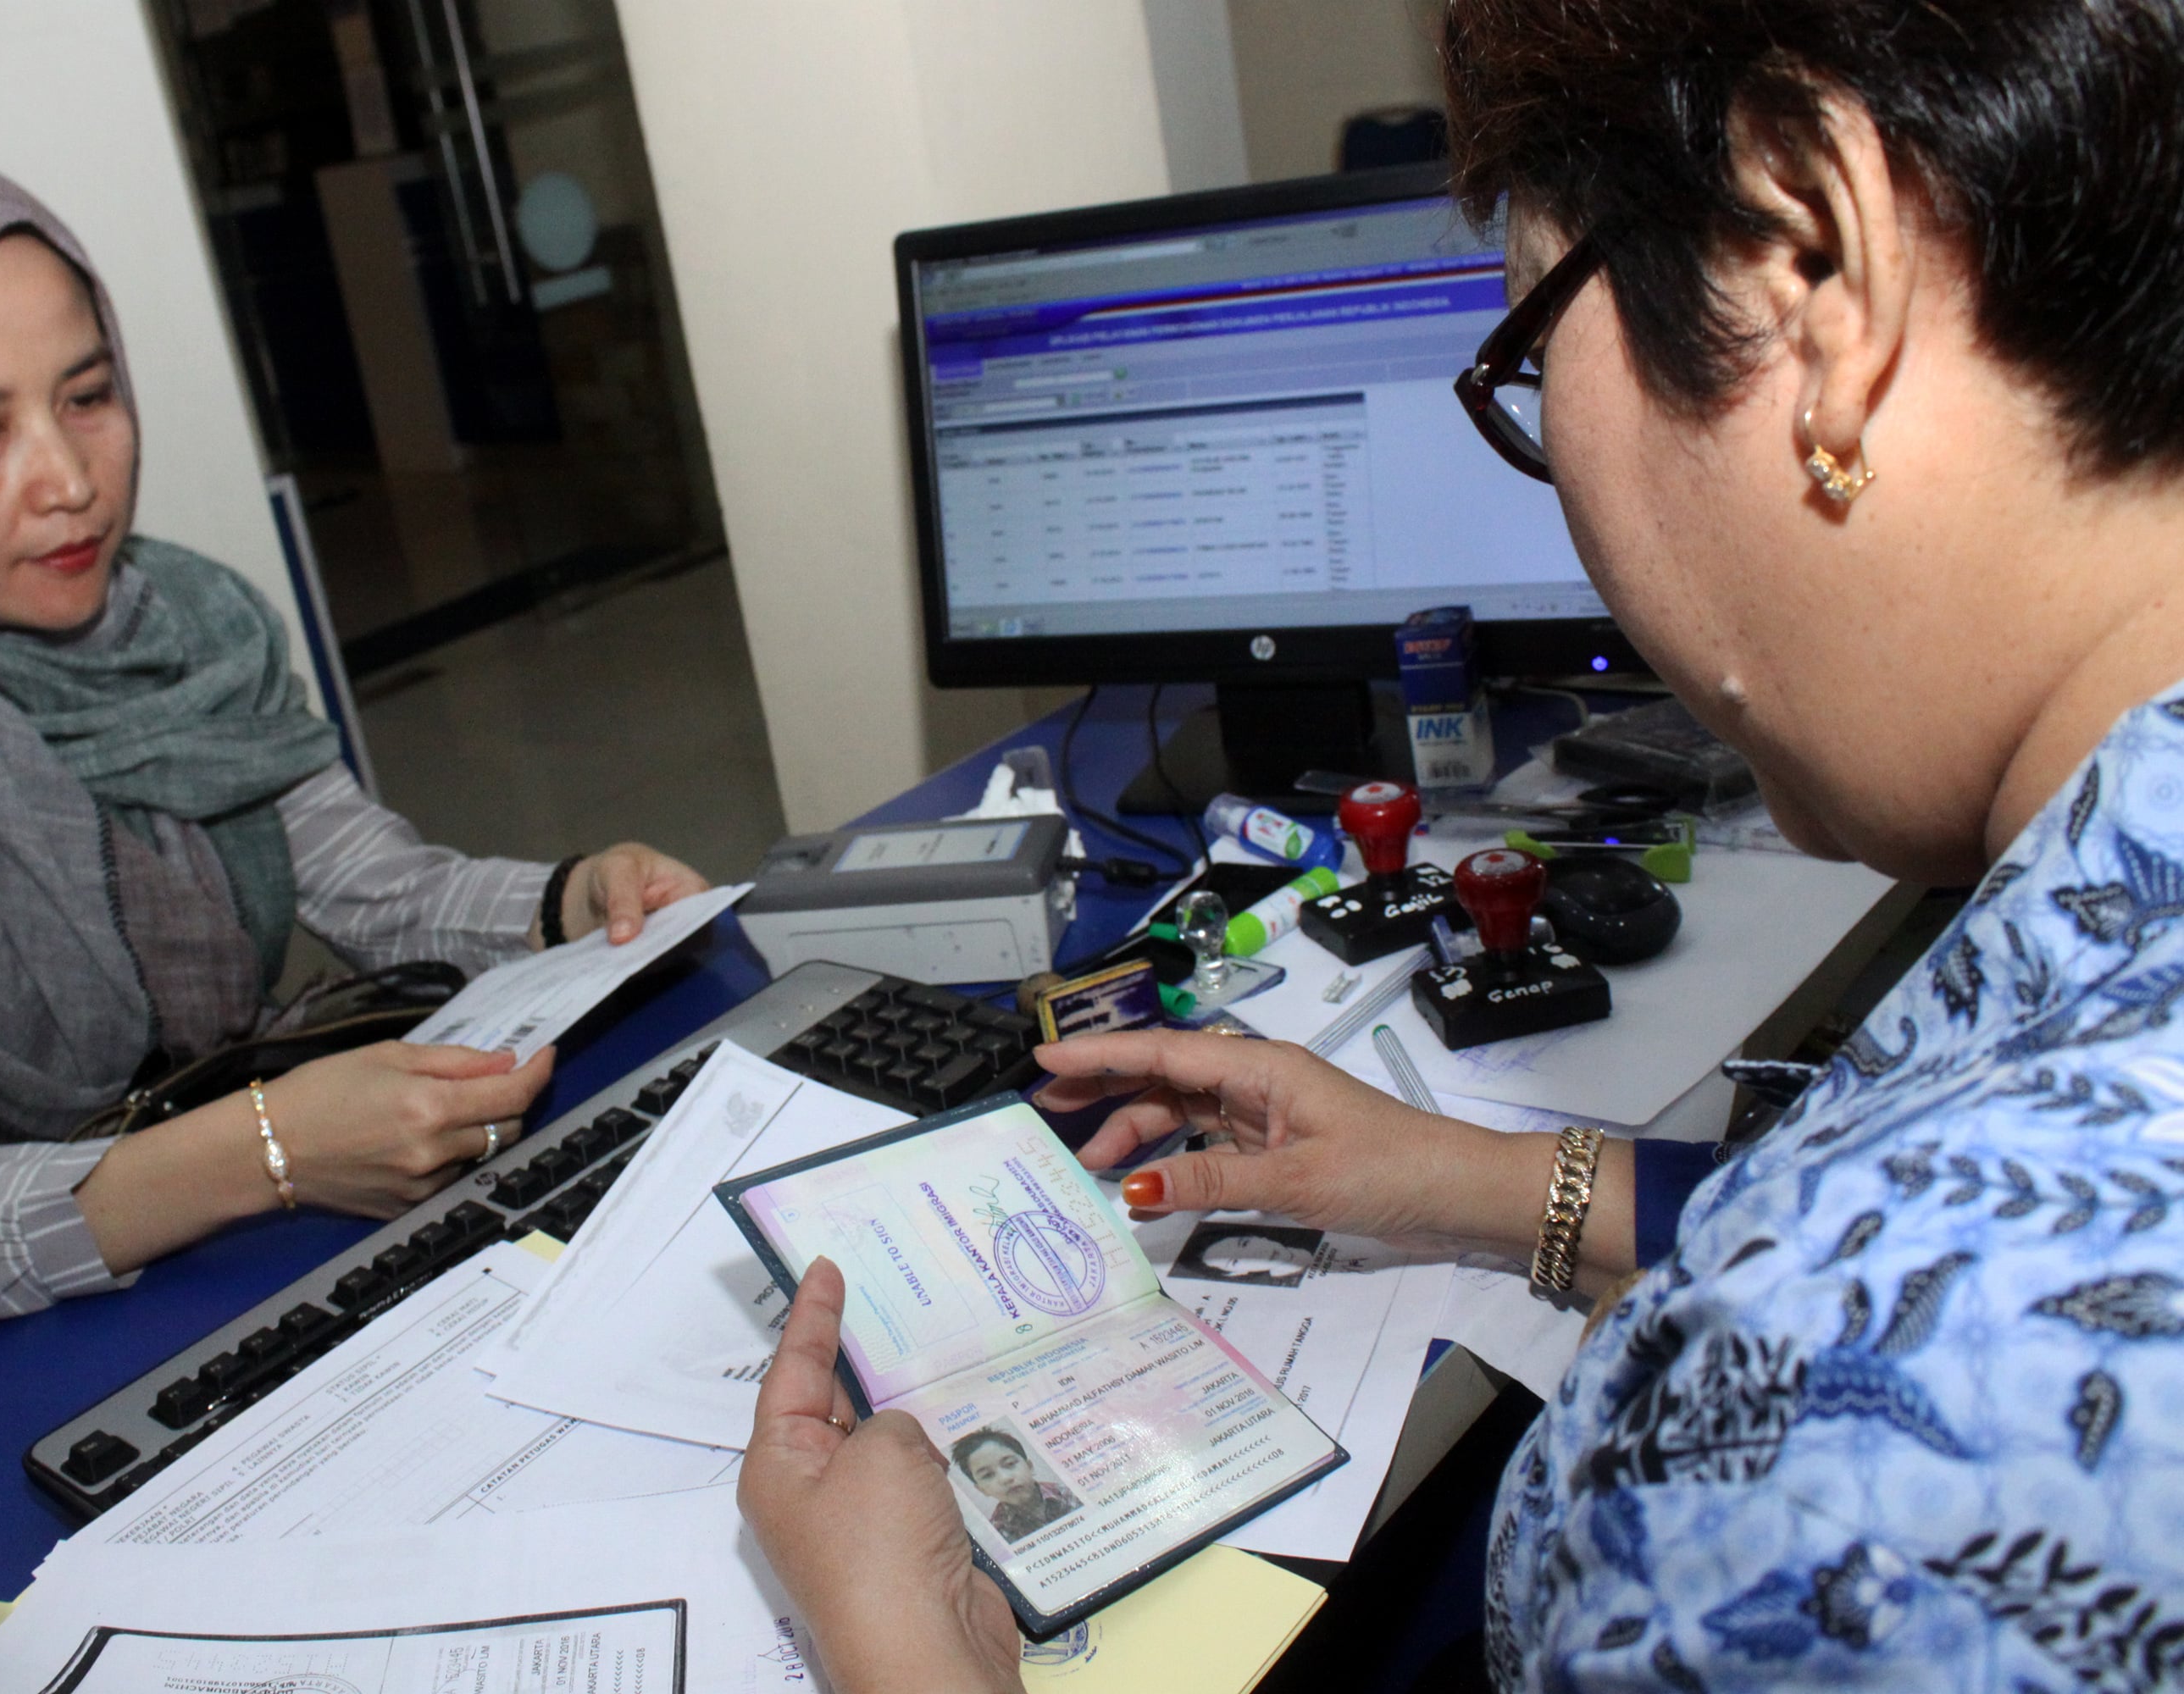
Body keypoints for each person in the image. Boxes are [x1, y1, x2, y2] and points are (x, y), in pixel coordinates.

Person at [737, 1, 2184, 1687]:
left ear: (1810, 247)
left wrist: (912, 1660)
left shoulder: (1850, 1468)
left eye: (1524, 365)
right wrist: (1469, 1180)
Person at [0, 160, 706, 1371]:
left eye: (88, 395)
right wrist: (253, 1152)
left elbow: (370, 881)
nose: (68, 483)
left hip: (252, 1269)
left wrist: (570, 898)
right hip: (11, 1353)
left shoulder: (185, 627)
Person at [946, 1429, 1080, 1544]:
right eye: (988, 1475)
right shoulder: (997, 1532)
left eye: (1010, 1464)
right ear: (982, 1490)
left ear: (1029, 1466)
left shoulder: (1070, 1492)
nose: (1005, 1479)